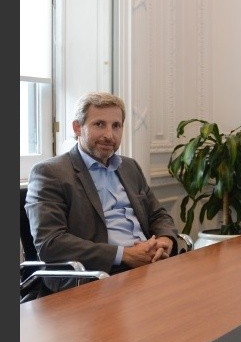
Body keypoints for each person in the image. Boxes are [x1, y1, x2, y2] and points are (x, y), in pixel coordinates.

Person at [25, 92, 181, 293]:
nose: (109, 135)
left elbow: (158, 214)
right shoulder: (50, 173)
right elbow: (51, 242)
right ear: (77, 128)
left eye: (116, 126)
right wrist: (124, 255)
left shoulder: (129, 167)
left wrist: (165, 239)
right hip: (98, 274)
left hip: (150, 264)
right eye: (99, 124)